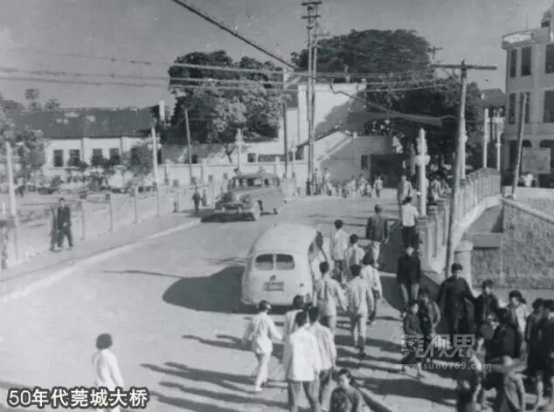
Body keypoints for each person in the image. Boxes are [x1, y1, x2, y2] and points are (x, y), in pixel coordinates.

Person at [282, 311, 322, 412]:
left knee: (293, 402)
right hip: (309, 371)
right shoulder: (311, 337)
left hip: (294, 370)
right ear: (307, 321)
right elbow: (316, 355)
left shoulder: (291, 337)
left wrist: (285, 369)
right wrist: (317, 369)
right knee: (313, 398)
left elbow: (286, 357)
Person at [242, 300, 282, 392]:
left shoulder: (254, 318)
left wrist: (243, 343)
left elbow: (247, 332)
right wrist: (283, 338)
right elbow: (274, 333)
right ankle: (257, 385)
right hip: (265, 345)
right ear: (267, 310)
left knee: (262, 363)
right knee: (263, 365)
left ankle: (264, 379)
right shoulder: (268, 319)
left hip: (255, 345)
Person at [437, 263, 475, 349]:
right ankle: (454, 346)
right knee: (453, 328)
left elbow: (469, 295)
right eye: (455, 272)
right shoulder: (446, 283)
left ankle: (461, 347)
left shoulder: (463, 282)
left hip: (462, 309)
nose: (457, 274)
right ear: (452, 272)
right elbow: (442, 298)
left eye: (459, 272)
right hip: (451, 310)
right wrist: (440, 310)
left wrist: (476, 301)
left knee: (462, 328)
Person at [307, 307, 336, 411]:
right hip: (325, 363)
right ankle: (323, 405)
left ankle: (316, 406)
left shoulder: (306, 331)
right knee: (326, 386)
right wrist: (333, 361)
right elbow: (332, 348)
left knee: (315, 387)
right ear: (319, 317)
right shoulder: (325, 330)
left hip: (312, 365)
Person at [346, 265, 374, 356]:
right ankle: (362, 347)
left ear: (351, 273)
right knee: (362, 329)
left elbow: (345, 297)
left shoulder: (349, 284)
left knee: (353, 327)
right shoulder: (365, 283)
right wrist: (371, 308)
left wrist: (346, 307)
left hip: (352, 309)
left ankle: (355, 343)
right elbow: (370, 297)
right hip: (363, 308)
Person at [92, 334, 124, 411]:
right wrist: (120, 384)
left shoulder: (95, 356)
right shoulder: (110, 356)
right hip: (110, 386)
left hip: (98, 386)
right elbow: (115, 373)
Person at [313, 262, 347, 333]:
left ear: (320, 270)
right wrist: (344, 307)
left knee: (322, 330)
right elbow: (341, 296)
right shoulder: (334, 282)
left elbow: (314, 298)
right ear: (328, 270)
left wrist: (314, 309)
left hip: (320, 309)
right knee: (331, 330)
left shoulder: (317, 282)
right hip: (331, 308)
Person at [526, 299, 545, 407]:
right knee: (533, 365)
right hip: (534, 346)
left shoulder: (542, 316)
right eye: (541, 306)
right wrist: (529, 344)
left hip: (540, 346)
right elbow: (528, 333)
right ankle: (532, 381)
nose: (542, 308)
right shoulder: (532, 317)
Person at [535, 299, 554, 410]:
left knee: (552, 379)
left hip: (551, 354)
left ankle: (552, 401)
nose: (541, 309)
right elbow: (536, 334)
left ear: (548, 309)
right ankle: (538, 399)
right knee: (538, 376)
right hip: (540, 352)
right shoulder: (542, 321)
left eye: (543, 308)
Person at [396, 245, 422, 316]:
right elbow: (399, 271)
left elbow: (419, 271)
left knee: (414, 298)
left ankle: (413, 312)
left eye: (410, 249)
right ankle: (404, 310)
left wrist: (418, 282)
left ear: (413, 250)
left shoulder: (416, 260)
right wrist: (398, 281)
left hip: (414, 281)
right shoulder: (401, 259)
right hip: (403, 281)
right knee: (405, 298)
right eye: (407, 249)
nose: (408, 250)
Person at [401, 300, 423, 379]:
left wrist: (420, 334)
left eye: (417, 308)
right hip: (410, 339)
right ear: (410, 308)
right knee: (411, 356)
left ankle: (419, 372)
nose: (415, 309)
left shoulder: (417, 317)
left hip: (417, 339)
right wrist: (414, 333)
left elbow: (418, 327)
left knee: (419, 356)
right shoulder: (407, 317)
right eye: (414, 307)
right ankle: (404, 365)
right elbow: (406, 329)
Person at [418, 288, 441, 363]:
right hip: (422, 327)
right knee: (424, 342)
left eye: (420, 296)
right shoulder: (420, 304)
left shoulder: (432, 304)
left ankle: (430, 358)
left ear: (423, 296)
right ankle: (425, 357)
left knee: (430, 342)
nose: (419, 297)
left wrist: (434, 325)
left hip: (430, 327)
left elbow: (438, 316)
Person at [456, 347, 483, 412]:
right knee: (460, 407)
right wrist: (459, 383)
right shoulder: (464, 359)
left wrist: (475, 392)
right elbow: (461, 372)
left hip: (470, 391)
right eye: (464, 351)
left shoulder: (476, 364)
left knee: (468, 408)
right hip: (462, 389)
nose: (465, 353)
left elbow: (478, 380)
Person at [360, 254, 382, 326]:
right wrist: (379, 291)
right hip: (374, 289)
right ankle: (372, 319)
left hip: (366, 289)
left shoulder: (362, 270)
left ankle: (365, 317)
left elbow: (362, 280)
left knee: (366, 303)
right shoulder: (374, 270)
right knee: (374, 304)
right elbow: (377, 281)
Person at [507, 290, 529, 358]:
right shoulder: (508, 307)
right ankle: (514, 356)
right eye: (509, 297)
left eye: (511, 297)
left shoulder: (523, 306)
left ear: (516, 298)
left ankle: (520, 357)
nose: (509, 299)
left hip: (521, 329)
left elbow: (527, 317)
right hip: (511, 328)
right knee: (513, 343)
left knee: (521, 343)